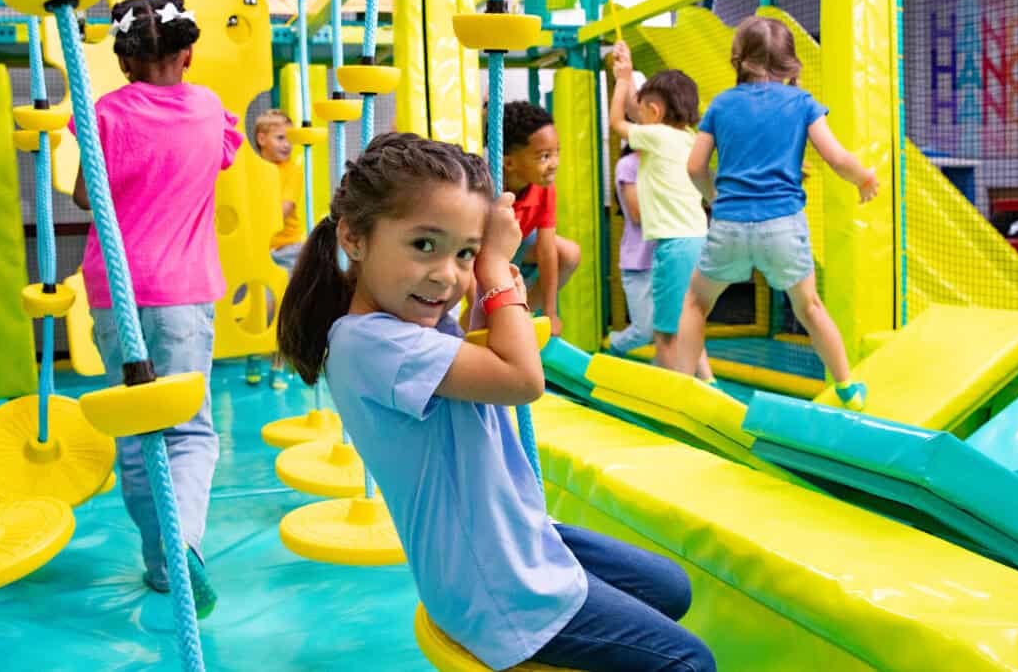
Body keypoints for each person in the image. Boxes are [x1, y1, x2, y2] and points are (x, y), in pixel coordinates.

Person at [277, 133, 715, 672]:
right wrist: (496, 269)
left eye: (464, 253)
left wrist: (487, 274)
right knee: (689, 661)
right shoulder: (369, 342)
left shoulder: (408, 320)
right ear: (355, 237)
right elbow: (520, 378)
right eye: (423, 245)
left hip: (509, 536)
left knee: (668, 588)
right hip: (495, 586)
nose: (445, 275)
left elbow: (483, 346)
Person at [71, 0, 243, 617]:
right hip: (183, 292)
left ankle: (161, 562)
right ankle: (184, 546)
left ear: (123, 63)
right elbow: (223, 155)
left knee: (139, 435)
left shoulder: (106, 114)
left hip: (114, 294)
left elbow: (86, 197)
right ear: (189, 54)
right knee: (190, 430)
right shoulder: (209, 110)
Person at [680, 16, 877, 410]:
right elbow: (836, 157)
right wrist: (863, 179)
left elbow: (694, 167)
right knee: (810, 308)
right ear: (790, 61)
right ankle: (848, 389)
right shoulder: (802, 103)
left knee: (695, 304)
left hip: (730, 224)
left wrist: (716, 197)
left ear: (739, 59)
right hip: (783, 226)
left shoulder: (721, 104)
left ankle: (689, 388)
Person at [608, 44, 713, 378]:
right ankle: (708, 382)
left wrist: (623, 79)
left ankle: (672, 398)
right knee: (688, 320)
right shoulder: (688, 138)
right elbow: (642, 111)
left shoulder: (656, 137)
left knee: (664, 335)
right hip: (700, 241)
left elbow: (616, 121)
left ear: (654, 111)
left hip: (675, 246)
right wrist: (628, 72)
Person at [502, 101, 581, 337]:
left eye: (557, 153)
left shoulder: (544, 187)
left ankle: (525, 313)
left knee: (569, 253)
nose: (554, 163)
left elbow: (547, 250)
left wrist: (550, 313)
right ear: (509, 163)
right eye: (544, 156)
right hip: (494, 251)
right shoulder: (491, 188)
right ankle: (510, 314)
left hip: (520, 244)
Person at [245, 108, 303, 390]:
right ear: (262, 138)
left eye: (289, 138)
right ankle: (252, 353)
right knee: (259, 306)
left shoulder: (293, 169)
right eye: (280, 138)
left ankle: (277, 363)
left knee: (282, 305)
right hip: (259, 248)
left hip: (288, 247)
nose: (287, 144)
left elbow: (286, 207)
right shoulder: (252, 170)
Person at [607, 144, 655, 355]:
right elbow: (636, 214)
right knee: (644, 330)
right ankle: (614, 349)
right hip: (640, 261)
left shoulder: (670, 159)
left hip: (670, 257)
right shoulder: (628, 165)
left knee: (678, 327)